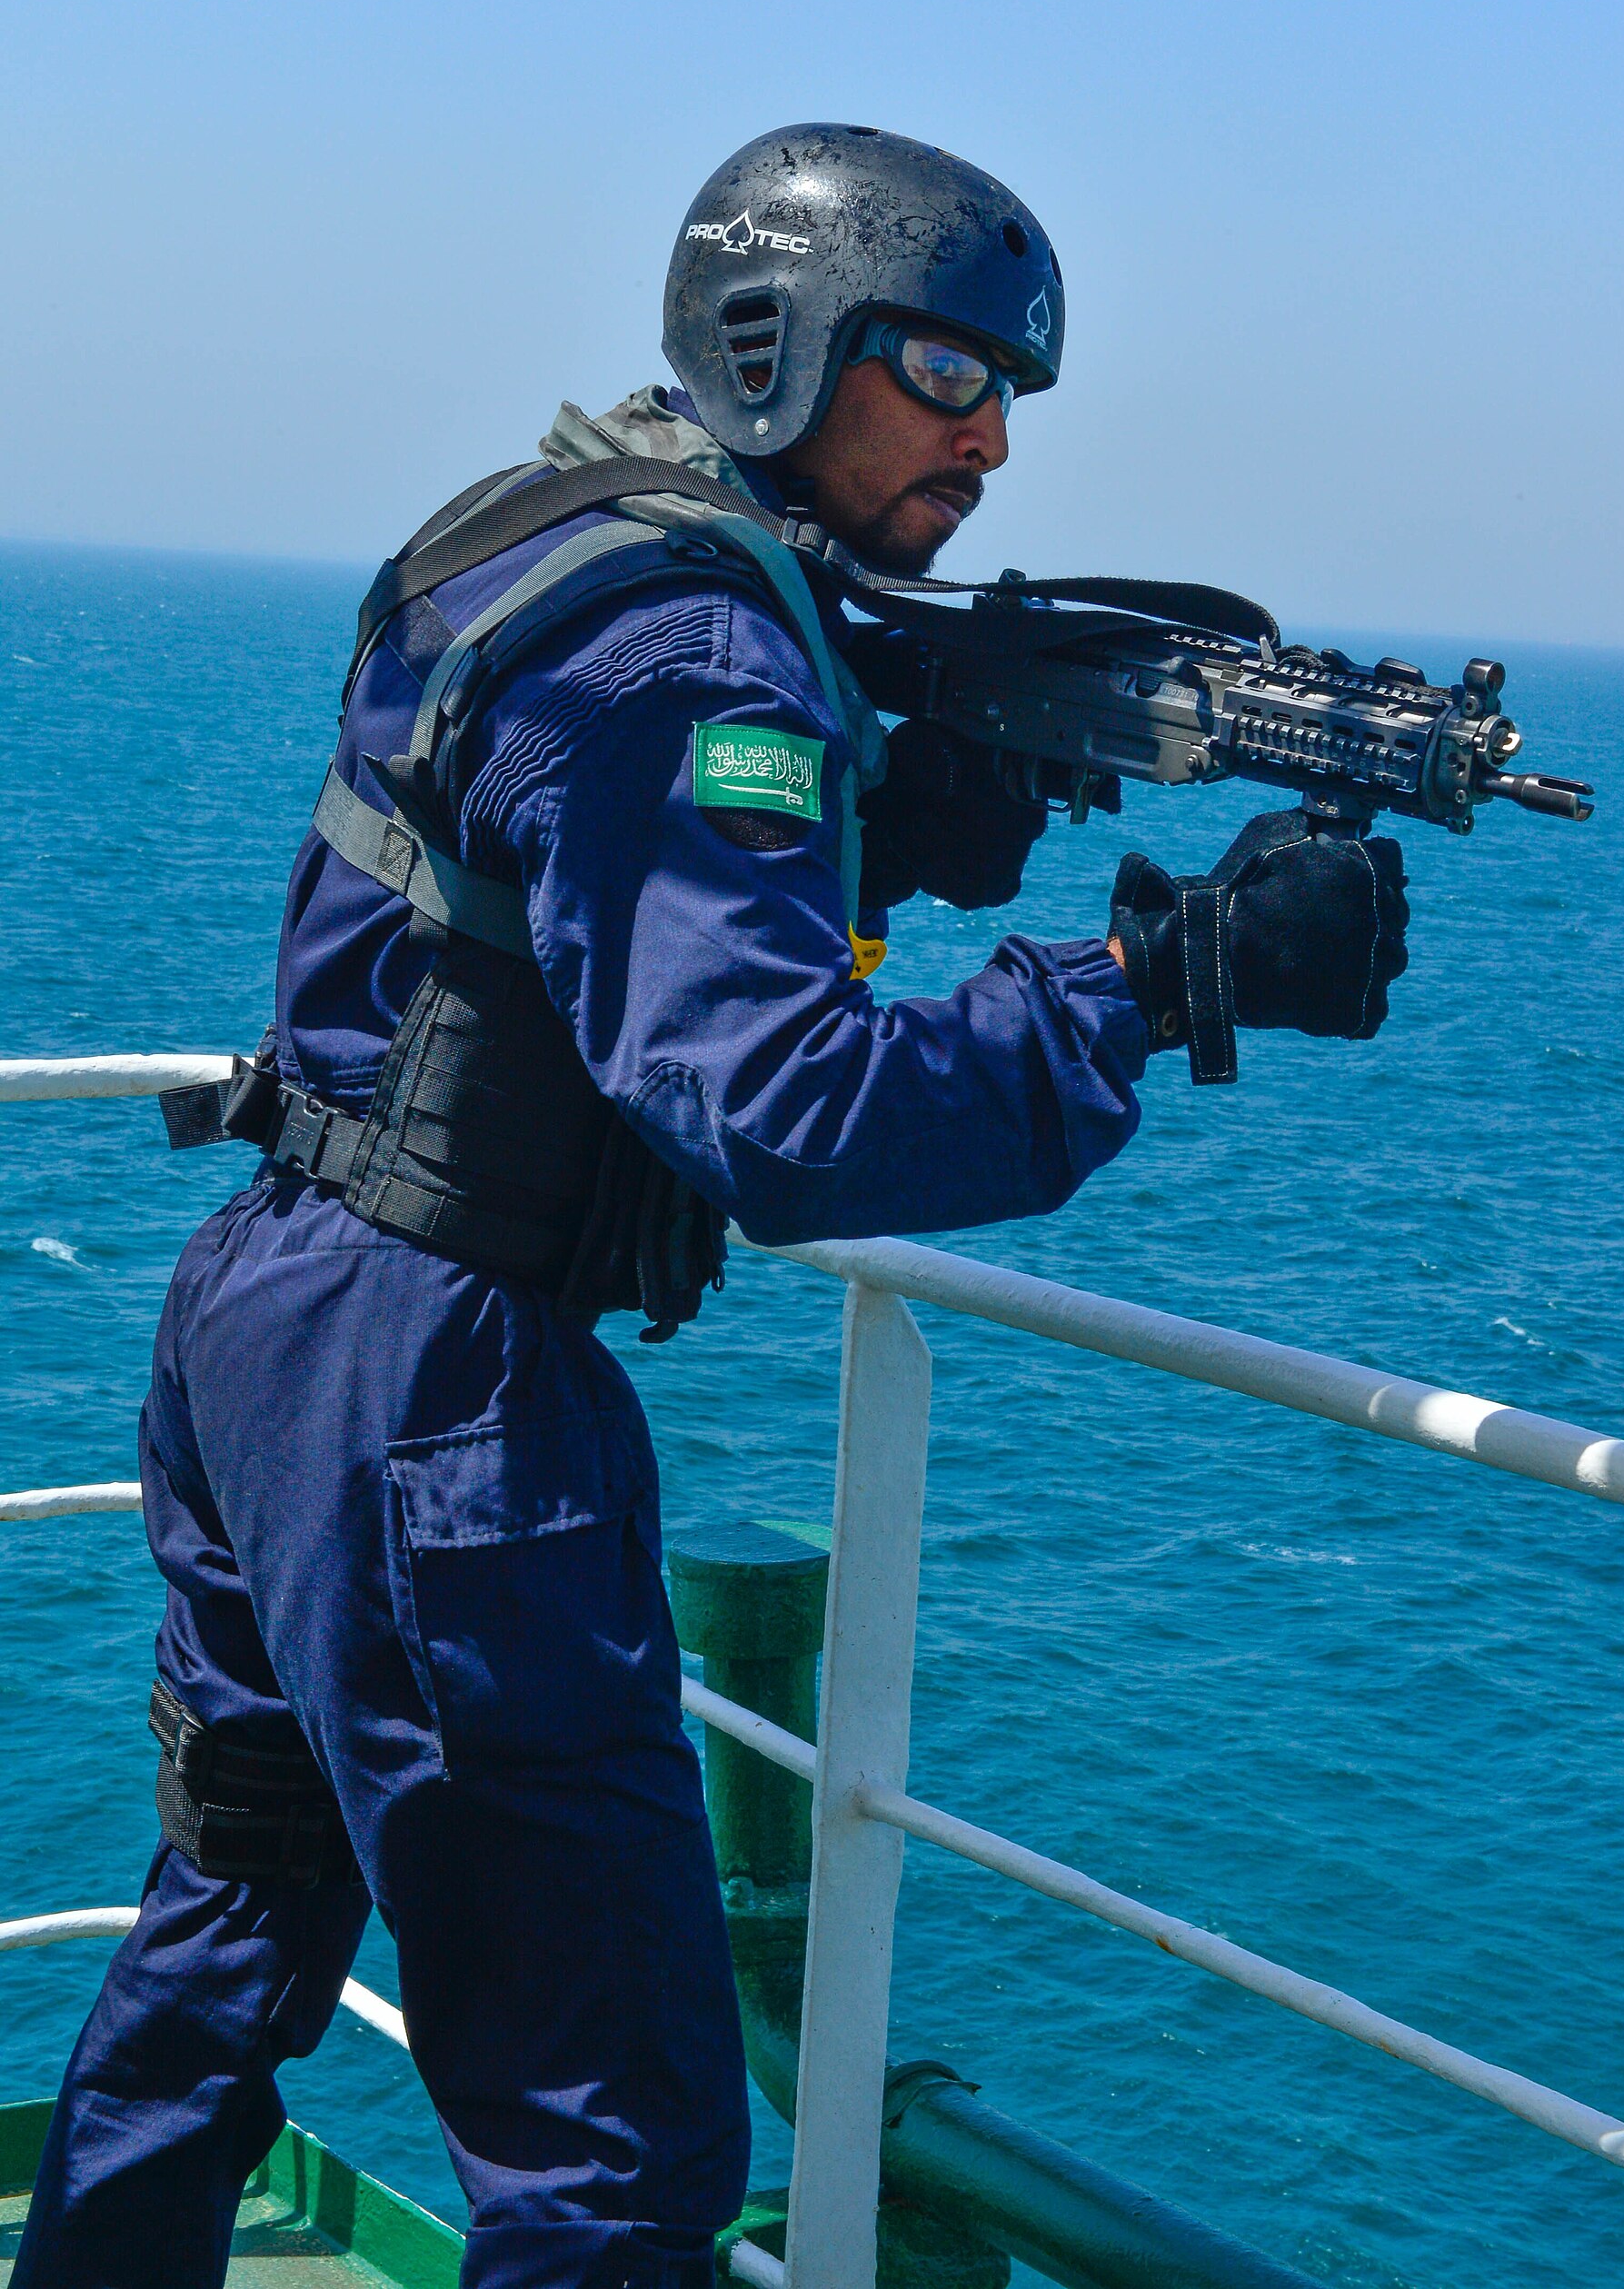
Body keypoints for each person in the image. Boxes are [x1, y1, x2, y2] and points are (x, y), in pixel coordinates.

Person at [15, 124, 1409, 2289]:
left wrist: (897, 797)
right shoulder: (699, 654)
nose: (996, 440)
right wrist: (1153, 984)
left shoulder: (554, 530)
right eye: (949, 374)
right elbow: (787, 1110)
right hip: (443, 1389)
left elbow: (537, 884)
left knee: (231, 1933)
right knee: (622, 2149)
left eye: (1012, 393)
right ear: (788, 346)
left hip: (269, 1308)